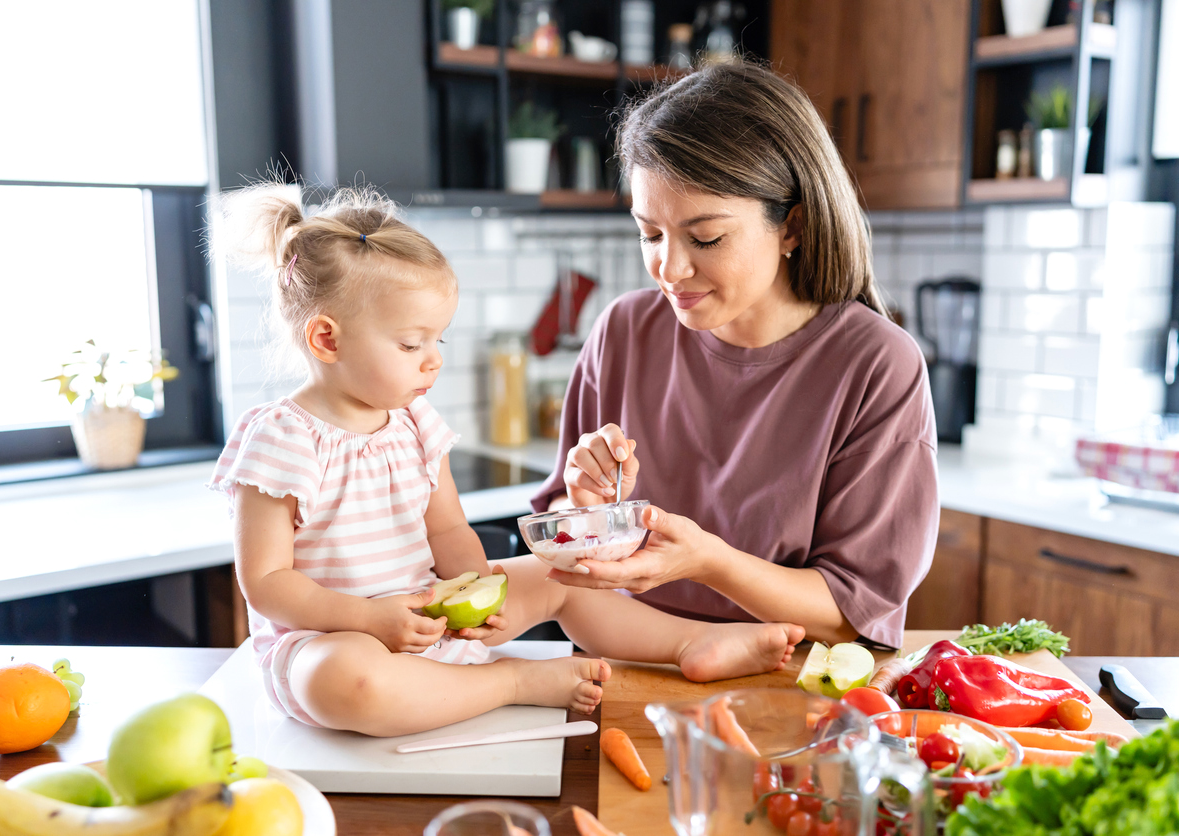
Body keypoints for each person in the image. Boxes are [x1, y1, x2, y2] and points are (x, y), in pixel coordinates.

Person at [208, 184, 804, 737]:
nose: (432, 361)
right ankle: (511, 682)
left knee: (563, 573)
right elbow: (266, 584)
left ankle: (689, 644)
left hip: (428, 617)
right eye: (412, 344)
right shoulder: (281, 439)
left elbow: (447, 529)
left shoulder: (416, 423)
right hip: (333, 639)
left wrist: (481, 587)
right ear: (327, 340)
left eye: (437, 341)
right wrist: (368, 621)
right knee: (346, 680)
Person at [531, 61, 939, 651]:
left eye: (706, 238)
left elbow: (855, 613)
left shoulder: (877, 367)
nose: (670, 269)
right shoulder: (623, 330)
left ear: (792, 226)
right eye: (650, 234)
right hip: (622, 669)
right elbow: (567, 553)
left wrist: (708, 562)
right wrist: (586, 506)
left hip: (787, 692)